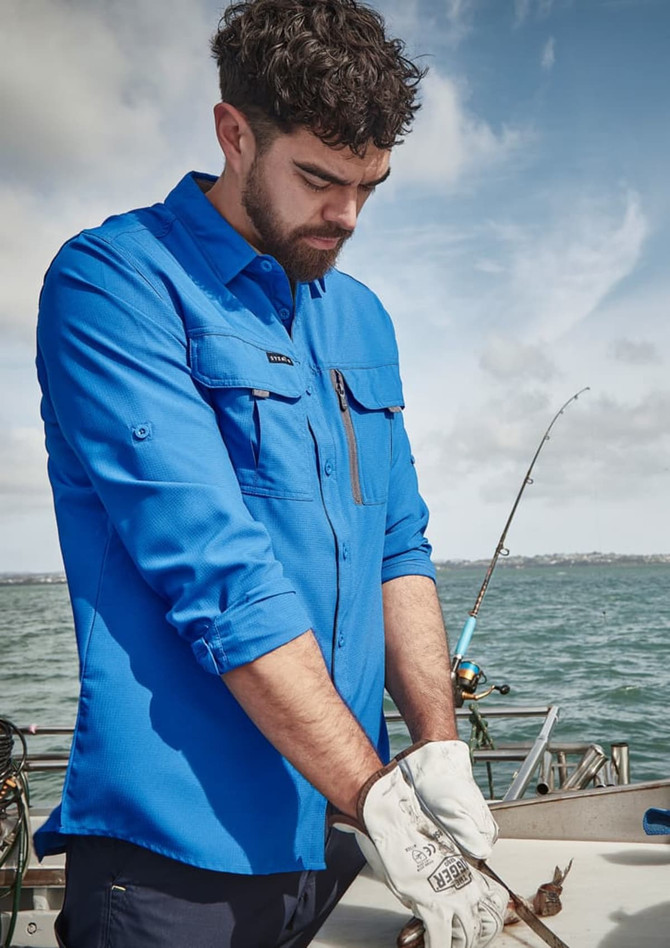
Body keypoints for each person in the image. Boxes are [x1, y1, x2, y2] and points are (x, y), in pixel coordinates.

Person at [35, 1, 506, 945]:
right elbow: (220, 578)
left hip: (339, 838)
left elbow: (398, 545)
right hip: (176, 863)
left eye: (370, 187)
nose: (347, 215)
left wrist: (437, 747)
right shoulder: (112, 283)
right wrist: (379, 797)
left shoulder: (361, 316)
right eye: (320, 179)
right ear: (233, 133)